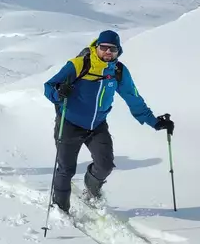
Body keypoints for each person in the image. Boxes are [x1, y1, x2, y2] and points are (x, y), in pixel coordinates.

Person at [43, 30, 174, 212]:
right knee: (66, 169)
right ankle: (60, 208)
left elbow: (133, 98)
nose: (107, 52)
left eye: (112, 49)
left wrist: (155, 122)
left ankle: (91, 189)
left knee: (105, 165)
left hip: (97, 125)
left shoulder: (118, 71)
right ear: (96, 47)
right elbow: (48, 86)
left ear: (118, 51)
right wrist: (58, 93)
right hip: (70, 123)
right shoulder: (79, 65)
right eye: (103, 47)